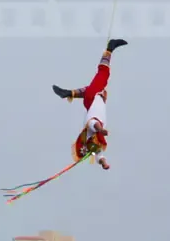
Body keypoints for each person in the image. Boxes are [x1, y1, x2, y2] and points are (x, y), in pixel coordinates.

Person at [52, 40, 126, 168]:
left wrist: (100, 129)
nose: (99, 145)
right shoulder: (96, 141)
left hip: (94, 97)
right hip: (92, 99)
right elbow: (99, 155)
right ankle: (69, 93)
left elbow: (94, 124)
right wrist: (104, 164)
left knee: (103, 74)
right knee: (89, 88)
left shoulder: (91, 128)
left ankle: (109, 48)